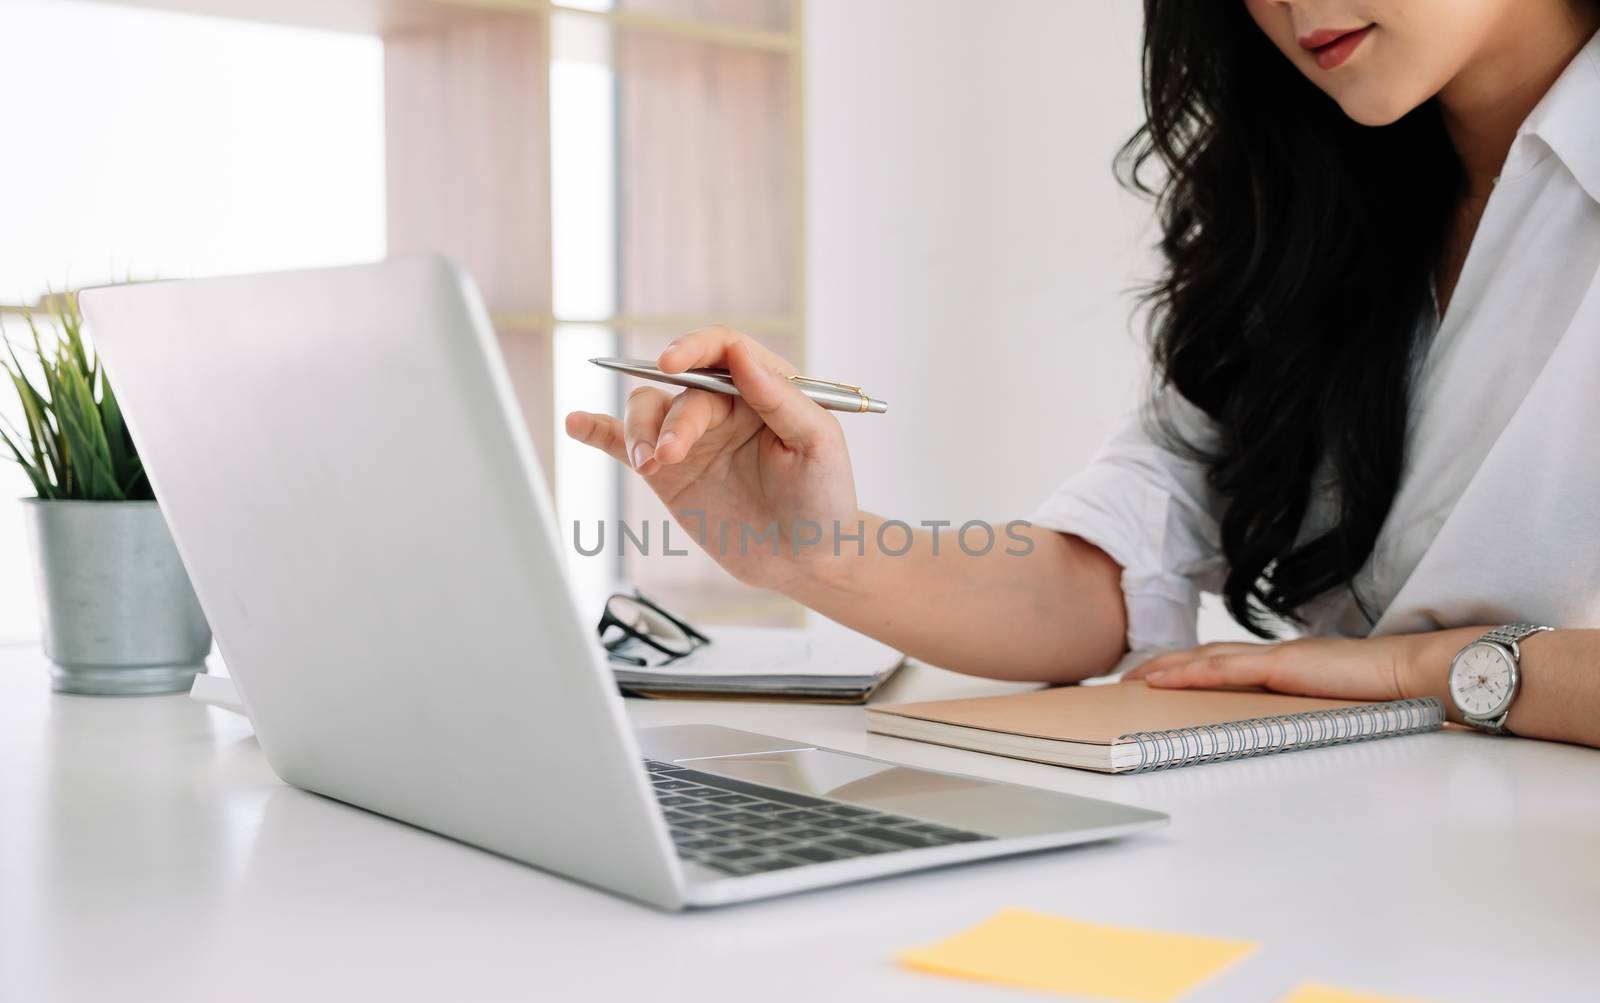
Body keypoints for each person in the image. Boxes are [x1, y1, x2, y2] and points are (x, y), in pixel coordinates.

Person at [566, 0, 1600, 750]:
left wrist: (1421, 669)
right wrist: (818, 551)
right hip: (1343, 853)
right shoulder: (1313, 213)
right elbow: (1108, 572)